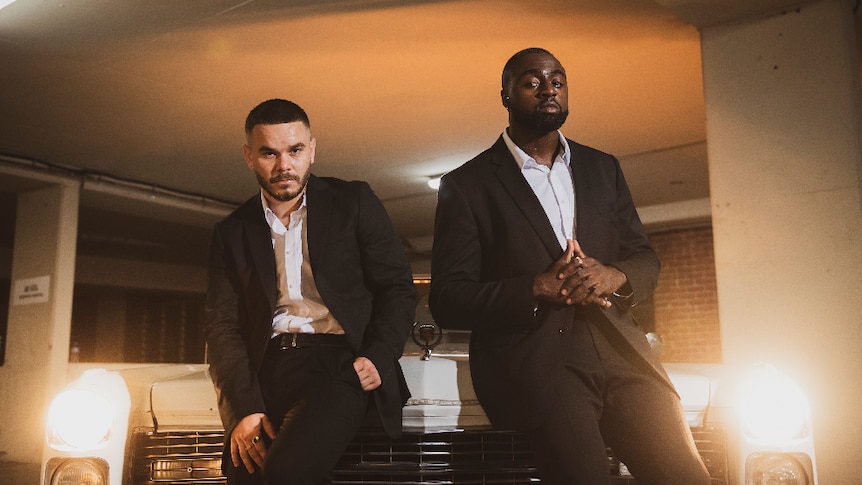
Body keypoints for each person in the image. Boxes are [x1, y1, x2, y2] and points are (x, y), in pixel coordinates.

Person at [429, 48, 711, 484]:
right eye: (532, 82)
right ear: (505, 95)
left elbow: (644, 259)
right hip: (540, 358)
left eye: (557, 81)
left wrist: (613, 275)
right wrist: (536, 287)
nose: (548, 90)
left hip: (620, 345)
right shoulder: (467, 186)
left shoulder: (603, 168)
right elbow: (448, 299)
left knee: (686, 476)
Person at [205, 98, 416, 485]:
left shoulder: (354, 202)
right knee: (244, 475)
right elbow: (223, 328)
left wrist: (378, 354)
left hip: (338, 365)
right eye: (269, 153)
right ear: (249, 156)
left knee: (287, 472)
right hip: (265, 369)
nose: (284, 165)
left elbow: (397, 288)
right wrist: (244, 409)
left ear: (312, 150)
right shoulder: (231, 231)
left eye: (295, 150)